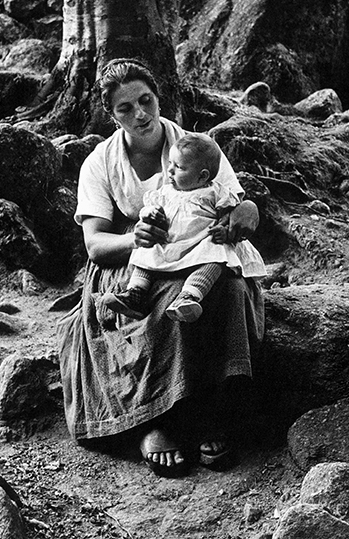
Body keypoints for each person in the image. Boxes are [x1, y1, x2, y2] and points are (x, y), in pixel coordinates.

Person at [57, 58, 265, 478]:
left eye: (146, 100)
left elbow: (235, 202)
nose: (140, 114)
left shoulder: (196, 146)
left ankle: (215, 412)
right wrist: (136, 238)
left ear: (158, 96)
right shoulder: (101, 163)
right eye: (125, 108)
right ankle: (159, 419)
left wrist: (246, 214)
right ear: (111, 115)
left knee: (229, 289)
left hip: (201, 250)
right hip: (137, 259)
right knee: (159, 302)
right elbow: (96, 244)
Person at [102, 132, 266, 322]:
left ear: (201, 176)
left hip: (198, 242)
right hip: (169, 241)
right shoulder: (165, 193)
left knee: (216, 253)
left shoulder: (214, 192)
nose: (169, 171)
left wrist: (224, 230)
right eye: (170, 164)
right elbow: (149, 208)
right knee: (147, 248)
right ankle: (135, 293)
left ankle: (189, 296)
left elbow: (228, 215)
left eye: (178, 167)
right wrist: (150, 214)